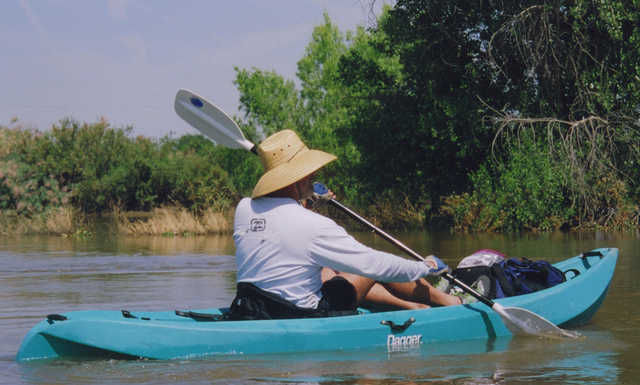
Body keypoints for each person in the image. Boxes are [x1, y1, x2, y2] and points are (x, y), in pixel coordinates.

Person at [227, 129, 462, 320]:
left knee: (333, 270)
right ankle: (448, 302)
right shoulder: (315, 225)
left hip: (251, 308)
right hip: (303, 315)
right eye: (308, 173)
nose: (314, 175)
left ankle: (413, 307)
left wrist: (307, 200)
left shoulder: (244, 208)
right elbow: (374, 265)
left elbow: (285, 227)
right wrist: (423, 266)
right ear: (297, 179)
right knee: (369, 265)